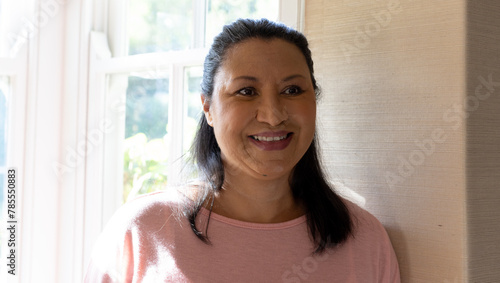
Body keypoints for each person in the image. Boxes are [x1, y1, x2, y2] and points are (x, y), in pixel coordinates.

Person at [85, 18, 400, 282]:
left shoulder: (366, 240)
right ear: (208, 107)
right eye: (246, 92)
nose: (273, 114)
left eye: (292, 90)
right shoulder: (142, 231)